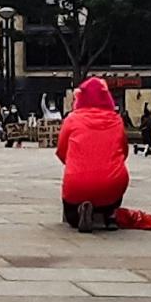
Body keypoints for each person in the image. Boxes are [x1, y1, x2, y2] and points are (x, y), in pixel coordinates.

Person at [57, 77, 130, 233]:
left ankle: (79, 213)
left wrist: (74, 164)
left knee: (70, 216)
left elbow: (61, 151)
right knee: (115, 180)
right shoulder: (116, 120)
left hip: (77, 183)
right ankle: (110, 214)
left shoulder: (72, 119)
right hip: (111, 184)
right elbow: (124, 151)